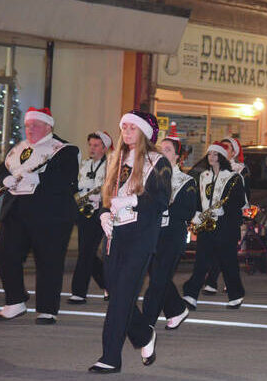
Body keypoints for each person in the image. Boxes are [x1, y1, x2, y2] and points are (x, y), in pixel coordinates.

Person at [89, 111, 171, 373]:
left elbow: (160, 201)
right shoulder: (116, 158)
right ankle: (144, 335)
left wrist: (135, 200)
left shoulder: (158, 162)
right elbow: (106, 196)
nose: (126, 132)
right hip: (115, 235)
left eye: (132, 128)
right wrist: (102, 214)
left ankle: (110, 357)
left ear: (144, 132)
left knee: (122, 296)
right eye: (123, 127)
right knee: (116, 293)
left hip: (140, 237)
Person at [0, 107, 79, 325]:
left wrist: (39, 180)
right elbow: (3, 168)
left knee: (48, 261)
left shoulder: (65, 150)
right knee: (5, 255)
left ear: (48, 126)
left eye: (35, 125)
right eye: (27, 125)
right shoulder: (19, 148)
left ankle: (47, 309)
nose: (29, 129)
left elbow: (67, 180)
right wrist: (4, 179)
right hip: (16, 212)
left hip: (50, 215)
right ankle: (15, 300)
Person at [141, 129, 198, 332]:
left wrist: (164, 205)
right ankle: (176, 309)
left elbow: (188, 210)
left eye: (167, 150)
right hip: (152, 232)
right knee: (158, 276)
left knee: (157, 280)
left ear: (176, 156)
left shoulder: (186, 181)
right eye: (160, 149)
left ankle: (146, 322)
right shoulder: (151, 176)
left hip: (172, 236)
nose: (162, 152)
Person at [182, 141, 246, 310]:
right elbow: (198, 198)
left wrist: (224, 210)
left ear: (222, 157)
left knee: (228, 262)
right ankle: (191, 295)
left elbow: (239, 200)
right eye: (209, 154)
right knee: (201, 261)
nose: (211, 157)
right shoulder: (203, 176)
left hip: (226, 227)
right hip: (206, 225)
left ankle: (236, 295)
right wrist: (196, 213)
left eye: (215, 154)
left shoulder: (233, 177)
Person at [201, 136, 250, 295]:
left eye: (227, 147)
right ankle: (213, 281)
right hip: (215, 215)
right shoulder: (213, 169)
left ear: (234, 151)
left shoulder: (240, 170)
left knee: (227, 250)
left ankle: (219, 282)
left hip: (231, 215)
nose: (224, 149)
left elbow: (244, 194)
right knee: (216, 249)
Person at [68, 131, 112, 304]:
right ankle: (108, 284)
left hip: (101, 212)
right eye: (90, 145)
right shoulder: (85, 165)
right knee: (86, 252)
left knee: (86, 252)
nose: (92, 149)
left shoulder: (110, 165)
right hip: (84, 211)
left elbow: (108, 188)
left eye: (96, 145)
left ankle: (79, 292)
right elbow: (76, 185)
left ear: (104, 148)